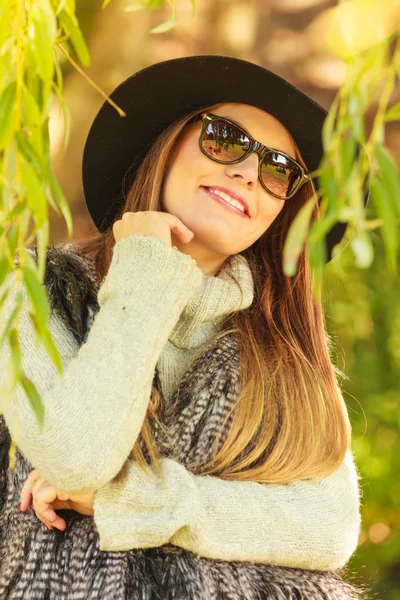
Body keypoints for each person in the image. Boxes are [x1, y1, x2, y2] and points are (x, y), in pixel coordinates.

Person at [0, 56, 371, 599]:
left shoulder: (285, 350)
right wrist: (147, 267)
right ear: (167, 143)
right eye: (225, 139)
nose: (248, 172)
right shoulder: (32, 293)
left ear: (281, 211)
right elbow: (77, 459)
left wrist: (143, 500)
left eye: (278, 170)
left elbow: (330, 526)